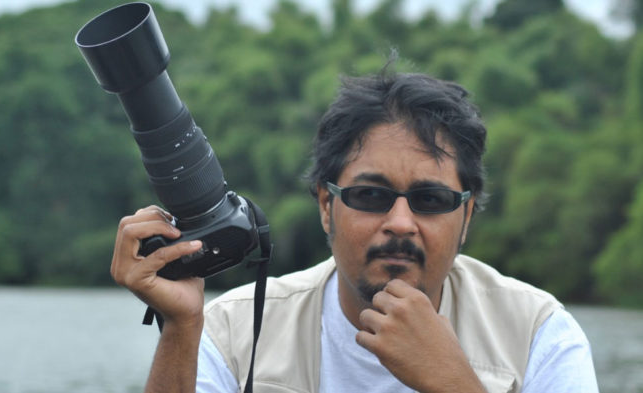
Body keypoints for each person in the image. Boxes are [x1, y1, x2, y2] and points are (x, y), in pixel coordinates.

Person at [111, 63, 599, 393]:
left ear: (466, 216)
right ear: (327, 205)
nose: (401, 223)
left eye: (431, 200)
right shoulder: (235, 329)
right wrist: (180, 328)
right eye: (371, 195)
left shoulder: (538, 332)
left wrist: (452, 381)